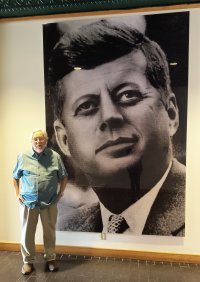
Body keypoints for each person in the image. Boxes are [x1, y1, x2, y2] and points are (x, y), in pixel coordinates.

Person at [47, 19, 186, 236]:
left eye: (128, 95)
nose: (110, 116)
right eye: (87, 106)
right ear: (64, 140)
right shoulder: (66, 228)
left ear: (171, 114)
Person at [13, 129, 68, 275]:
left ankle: (50, 258)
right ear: (31, 141)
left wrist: (60, 193)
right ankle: (27, 262)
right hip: (28, 203)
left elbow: (64, 176)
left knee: (49, 232)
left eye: (41, 139)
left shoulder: (54, 156)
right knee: (27, 233)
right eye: (36, 139)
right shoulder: (22, 157)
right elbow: (15, 176)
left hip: (49, 202)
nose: (39, 142)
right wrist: (17, 193)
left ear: (46, 140)